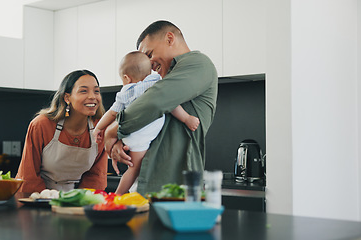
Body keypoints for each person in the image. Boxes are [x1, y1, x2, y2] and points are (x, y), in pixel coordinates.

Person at [104, 20, 218, 194]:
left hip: (174, 188)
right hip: (145, 184)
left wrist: (113, 131)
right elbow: (147, 119)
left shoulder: (199, 63)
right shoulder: (161, 79)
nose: (148, 65)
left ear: (169, 38)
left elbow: (154, 101)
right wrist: (124, 141)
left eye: (149, 54)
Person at [93, 51, 199, 195]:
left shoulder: (125, 92)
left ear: (126, 78)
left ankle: (118, 195)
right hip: (145, 133)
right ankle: (118, 195)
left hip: (134, 136)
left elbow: (113, 113)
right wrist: (187, 119)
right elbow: (170, 103)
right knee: (167, 102)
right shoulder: (155, 83)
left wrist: (99, 128)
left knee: (133, 169)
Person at [16, 70, 108, 193]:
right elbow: (29, 174)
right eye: (83, 91)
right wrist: (45, 199)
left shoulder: (100, 127)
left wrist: (79, 200)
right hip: (37, 196)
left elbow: (96, 176)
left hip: (76, 198)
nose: (92, 96)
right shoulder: (41, 125)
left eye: (96, 91)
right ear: (67, 97)